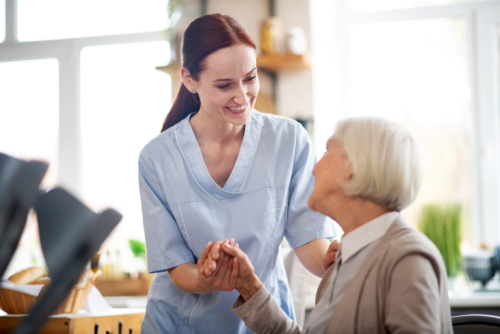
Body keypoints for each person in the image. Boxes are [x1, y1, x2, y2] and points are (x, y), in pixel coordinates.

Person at [138, 13, 335, 333]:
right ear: (189, 79)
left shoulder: (289, 141)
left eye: (250, 77)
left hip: (263, 324)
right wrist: (207, 276)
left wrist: (336, 261)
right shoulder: (157, 159)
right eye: (225, 85)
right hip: (177, 326)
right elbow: (176, 269)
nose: (243, 97)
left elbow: (310, 240)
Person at [209, 117, 453, 333]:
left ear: (352, 167)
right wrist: (249, 286)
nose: (314, 168)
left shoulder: (408, 260)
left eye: (327, 151)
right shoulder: (341, 262)